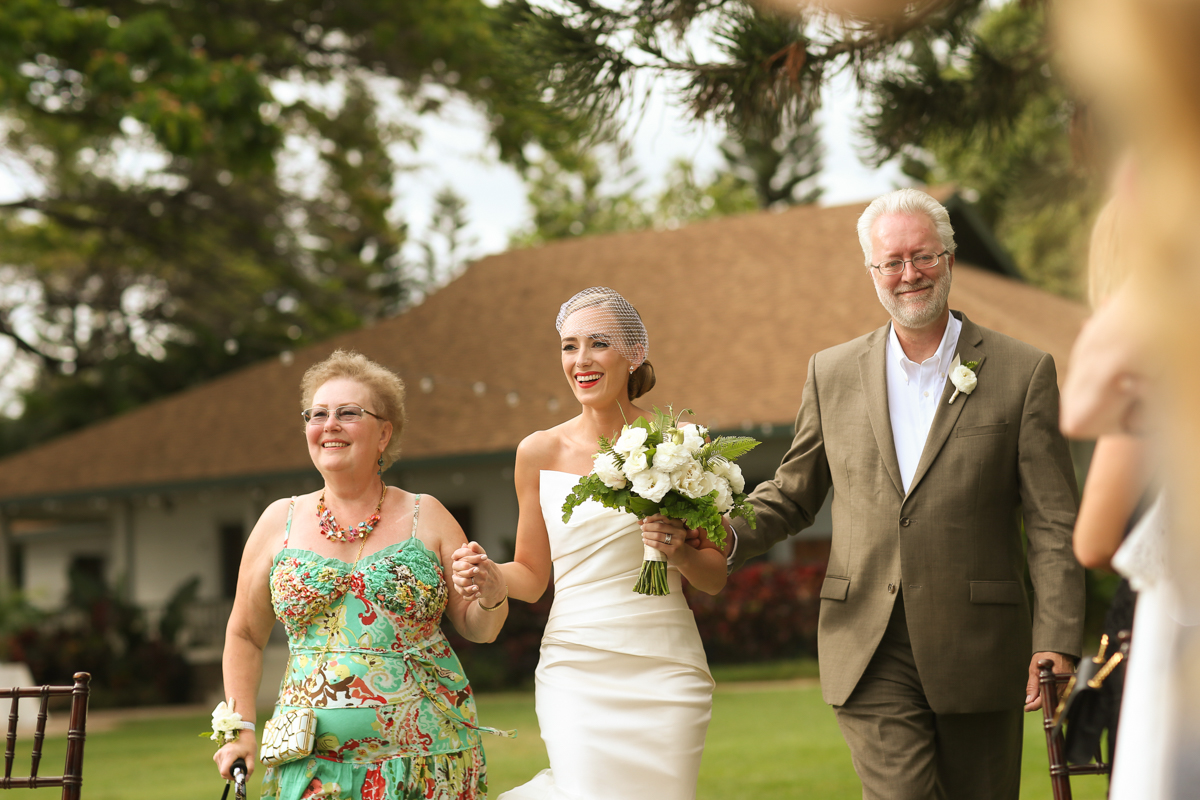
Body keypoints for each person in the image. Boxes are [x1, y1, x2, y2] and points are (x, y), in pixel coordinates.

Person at [718, 188, 1086, 799]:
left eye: (922, 257)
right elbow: (793, 492)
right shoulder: (830, 373)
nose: (908, 274)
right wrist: (723, 530)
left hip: (981, 643)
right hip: (867, 640)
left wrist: (1057, 637)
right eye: (892, 262)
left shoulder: (1024, 372)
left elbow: (1053, 521)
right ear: (872, 272)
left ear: (948, 258)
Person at [451, 287, 727, 800]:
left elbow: (713, 576)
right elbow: (532, 579)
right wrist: (493, 575)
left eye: (598, 344)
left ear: (633, 353)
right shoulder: (537, 451)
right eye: (568, 345)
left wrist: (681, 551)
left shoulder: (683, 443)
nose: (581, 360)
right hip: (576, 665)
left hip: (666, 667)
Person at [214, 349, 509, 799]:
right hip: (311, 764)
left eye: (348, 413)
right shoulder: (279, 521)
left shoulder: (426, 515)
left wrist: (491, 593)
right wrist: (241, 729)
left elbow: (479, 627)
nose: (329, 424)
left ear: (384, 433)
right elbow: (245, 635)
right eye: (317, 414)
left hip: (425, 761)